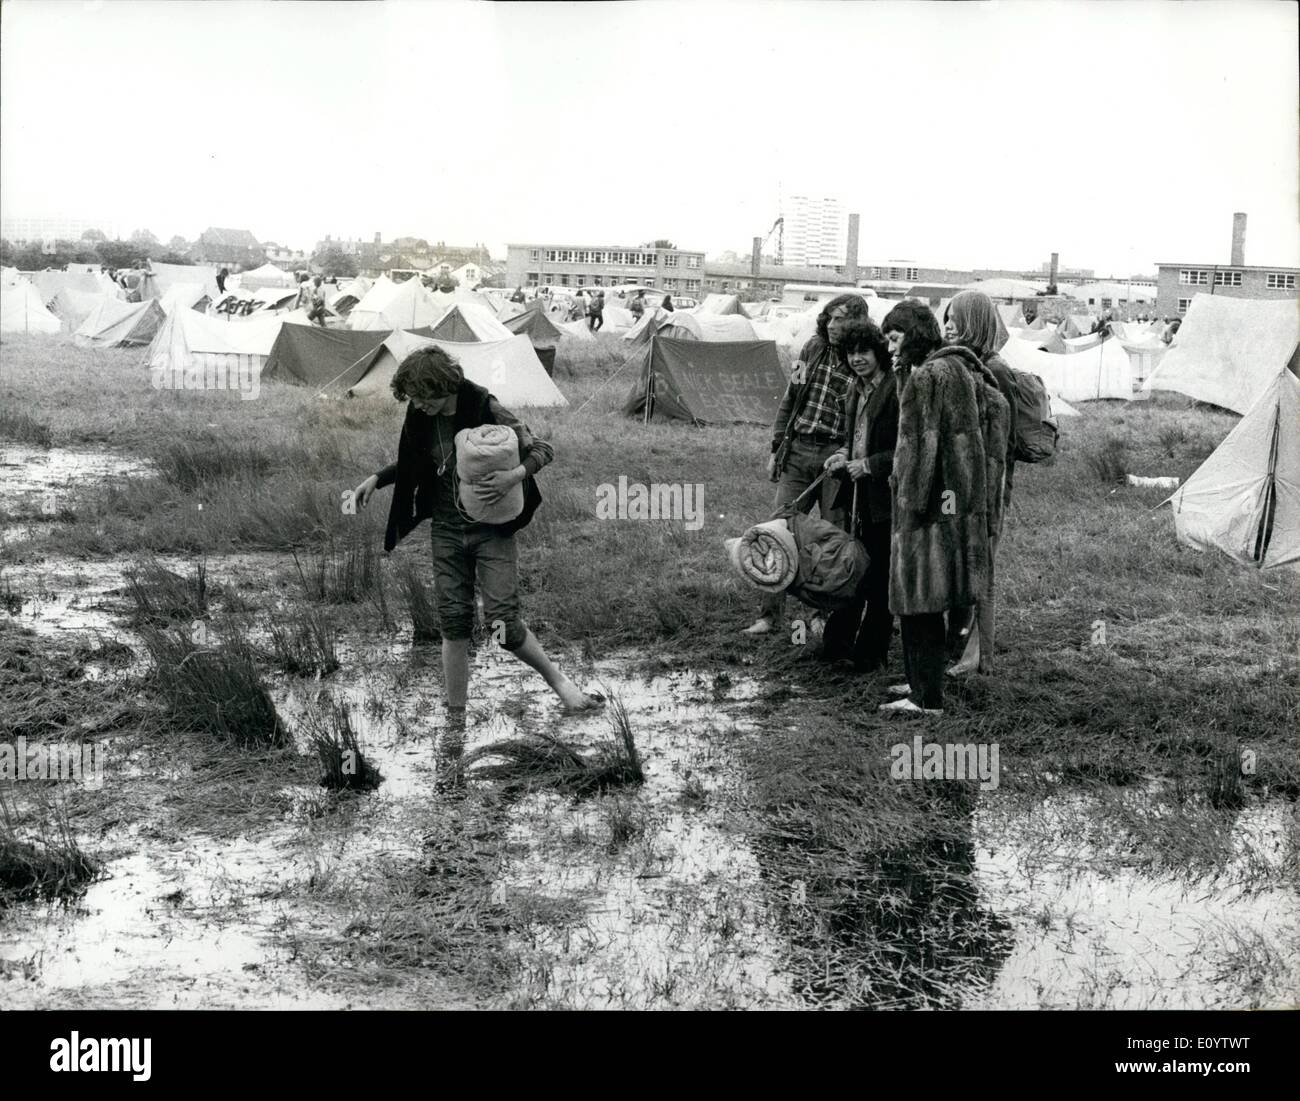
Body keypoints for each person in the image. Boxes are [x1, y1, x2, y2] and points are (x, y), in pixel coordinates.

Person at [351, 345, 603, 724]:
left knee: (502, 625)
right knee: (453, 622)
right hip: (448, 531)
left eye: (423, 397)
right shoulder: (422, 415)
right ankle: (456, 719)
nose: (418, 406)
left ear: (443, 386)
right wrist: (377, 479)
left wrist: (512, 476)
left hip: (492, 531)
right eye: (414, 400)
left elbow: (542, 450)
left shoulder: (485, 406)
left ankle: (565, 687)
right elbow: (416, 461)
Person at [876, 301, 1010, 716]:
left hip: (925, 513)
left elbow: (918, 448)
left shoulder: (931, 375)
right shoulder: (961, 369)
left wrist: (908, 502)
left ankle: (926, 697)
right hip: (956, 507)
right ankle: (921, 682)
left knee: (919, 604)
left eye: (894, 339)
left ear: (912, 336)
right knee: (931, 604)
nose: (889, 349)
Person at [742, 292, 870, 636]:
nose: (832, 324)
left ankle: (822, 616)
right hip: (798, 452)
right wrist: (776, 448)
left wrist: (847, 455)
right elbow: (789, 400)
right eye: (829, 317)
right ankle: (769, 616)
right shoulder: (811, 349)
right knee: (776, 530)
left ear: (857, 322)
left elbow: (864, 419)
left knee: (833, 539)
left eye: (841, 318)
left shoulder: (862, 358)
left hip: (836, 460)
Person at [942, 290, 1020, 675]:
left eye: (957, 319)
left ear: (975, 322)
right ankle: (960, 649)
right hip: (960, 488)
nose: (949, 327)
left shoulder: (995, 370)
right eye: (947, 319)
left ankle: (980, 658)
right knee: (960, 567)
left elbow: (998, 444)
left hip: (987, 489)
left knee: (981, 570)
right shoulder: (963, 364)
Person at [821, 317, 898, 672]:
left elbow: (903, 449)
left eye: (863, 351)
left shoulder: (897, 389)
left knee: (880, 576)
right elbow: (854, 438)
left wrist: (867, 465)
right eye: (850, 353)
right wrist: (843, 455)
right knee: (853, 568)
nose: (857, 358)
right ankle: (837, 648)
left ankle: (871, 655)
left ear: (879, 351)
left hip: (886, 496)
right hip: (857, 496)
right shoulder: (855, 388)